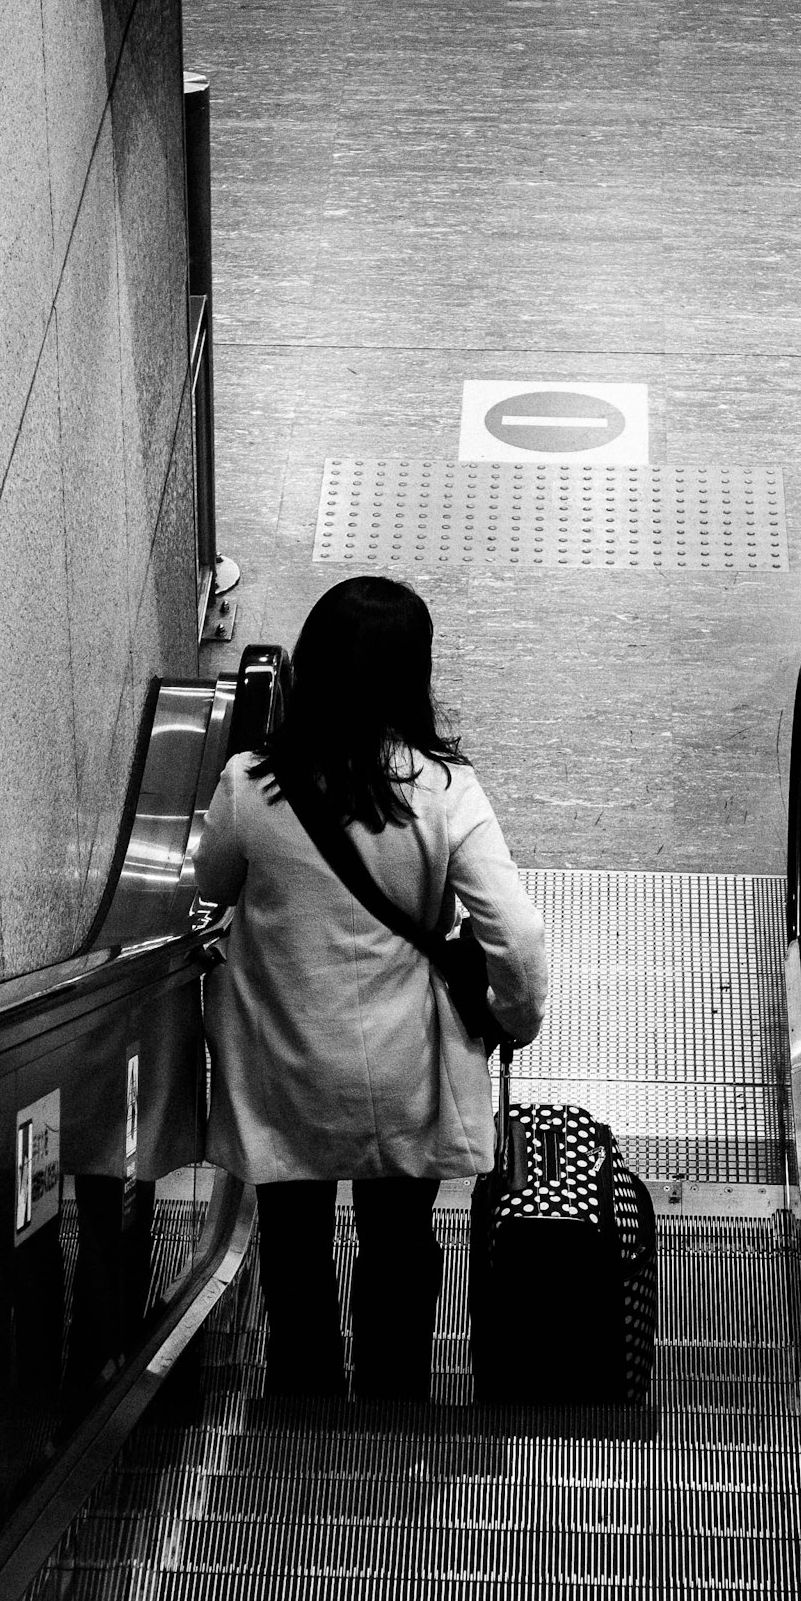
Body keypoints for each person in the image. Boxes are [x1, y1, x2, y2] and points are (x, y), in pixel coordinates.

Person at [194, 576, 547, 1401]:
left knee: (292, 1249)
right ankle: (395, 1405)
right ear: (411, 675)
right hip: (401, 1071)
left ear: (309, 666)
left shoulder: (253, 784)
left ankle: (305, 1404)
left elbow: (212, 883)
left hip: (285, 1071)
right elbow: (517, 938)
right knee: (397, 1248)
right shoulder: (444, 790)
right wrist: (512, 1020)